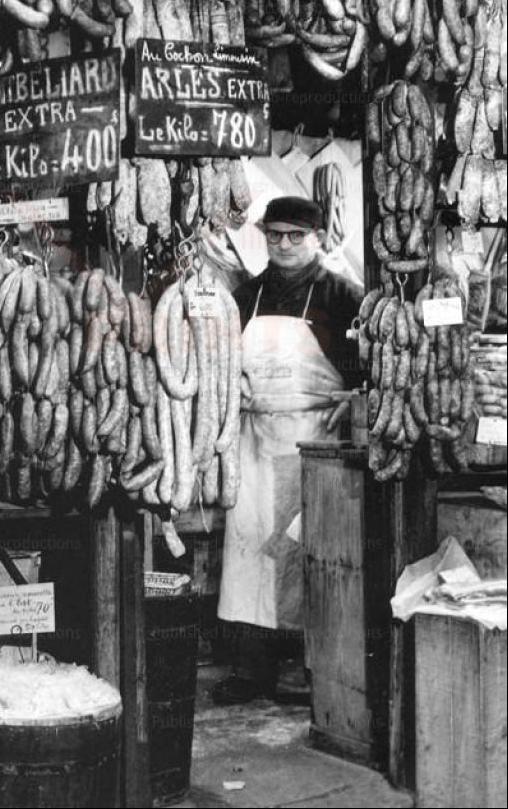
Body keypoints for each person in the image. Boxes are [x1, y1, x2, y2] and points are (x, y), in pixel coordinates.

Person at [213, 196, 362, 705]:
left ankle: (310, 667)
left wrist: (357, 399)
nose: (283, 245)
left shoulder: (344, 295)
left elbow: (367, 373)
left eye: (295, 236)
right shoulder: (246, 294)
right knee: (250, 555)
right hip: (255, 443)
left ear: (317, 238)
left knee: (308, 555)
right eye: (274, 235)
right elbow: (224, 362)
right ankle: (250, 671)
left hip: (314, 443)